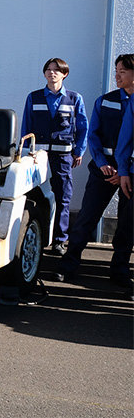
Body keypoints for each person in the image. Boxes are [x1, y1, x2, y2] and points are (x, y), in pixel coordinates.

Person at [53, 54, 132, 298]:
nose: (116, 75)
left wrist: (124, 171)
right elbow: (93, 136)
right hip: (104, 171)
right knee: (87, 218)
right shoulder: (105, 101)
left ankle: (119, 271)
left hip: (129, 174)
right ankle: (69, 265)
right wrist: (102, 164)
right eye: (116, 70)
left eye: (121, 71)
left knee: (127, 225)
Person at [20, 57, 88, 256]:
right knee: (33, 195)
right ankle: (35, 236)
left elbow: (83, 127)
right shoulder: (34, 97)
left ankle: (60, 240)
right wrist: (24, 151)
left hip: (63, 156)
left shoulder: (75, 98)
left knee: (63, 198)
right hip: (37, 155)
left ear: (64, 74)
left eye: (56, 70)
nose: (52, 73)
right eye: (48, 70)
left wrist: (79, 151)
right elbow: (26, 125)